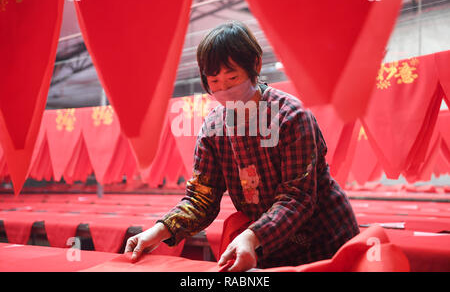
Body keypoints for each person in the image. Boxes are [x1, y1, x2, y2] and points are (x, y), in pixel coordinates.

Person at [125, 20, 360, 271]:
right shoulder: (213, 129)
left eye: (233, 77)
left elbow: (297, 197)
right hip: (267, 242)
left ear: (255, 65)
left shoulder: (291, 116)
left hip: (323, 238)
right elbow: (201, 198)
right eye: (214, 81)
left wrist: (251, 236)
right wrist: (159, 231)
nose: (224, 90)